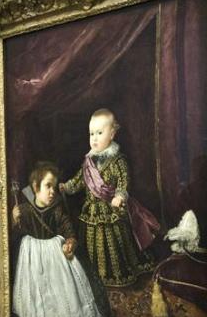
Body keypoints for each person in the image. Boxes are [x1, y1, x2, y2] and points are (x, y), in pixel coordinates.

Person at [60, 108, 159, 287]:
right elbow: (78, 180)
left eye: (99, 133)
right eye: (91, 134)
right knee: (92, 244)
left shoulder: (117, 160)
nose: (94, 138)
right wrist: (65, 187)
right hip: (91, 209)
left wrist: (120, 197)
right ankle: (94, 275)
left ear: (112, 134)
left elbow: (124, 181)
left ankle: (116, 274)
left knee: (114, 242)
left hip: (110, 208)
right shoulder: (88, 162)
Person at [9, 161, 105, 317]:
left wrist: (70, 243)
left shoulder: (57, 210)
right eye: (48, 186)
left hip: (55, 257)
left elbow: (68, 229)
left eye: (54, 186)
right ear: (35, 187)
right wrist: (13, 219)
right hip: (32, 257)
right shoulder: (24, 210)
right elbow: (15, 234)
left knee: (62, 292)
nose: (52, 191)